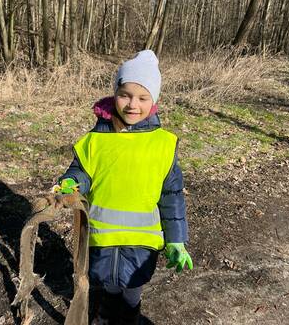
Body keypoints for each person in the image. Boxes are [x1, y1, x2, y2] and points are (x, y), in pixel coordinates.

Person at [54, 50, 193, 325]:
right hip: (102, 236)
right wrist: (71, 183)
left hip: (142, 241)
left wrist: (177, 239)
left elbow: (172, 196)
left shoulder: (163, 145)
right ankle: (106, 311)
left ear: (154, 101)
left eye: (142, 98)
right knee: (107, 281)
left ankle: (130, 314)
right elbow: (81, 172)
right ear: (115, 93)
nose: (132, 104)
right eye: (125, 94)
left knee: (133, 284)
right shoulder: (95, 140)